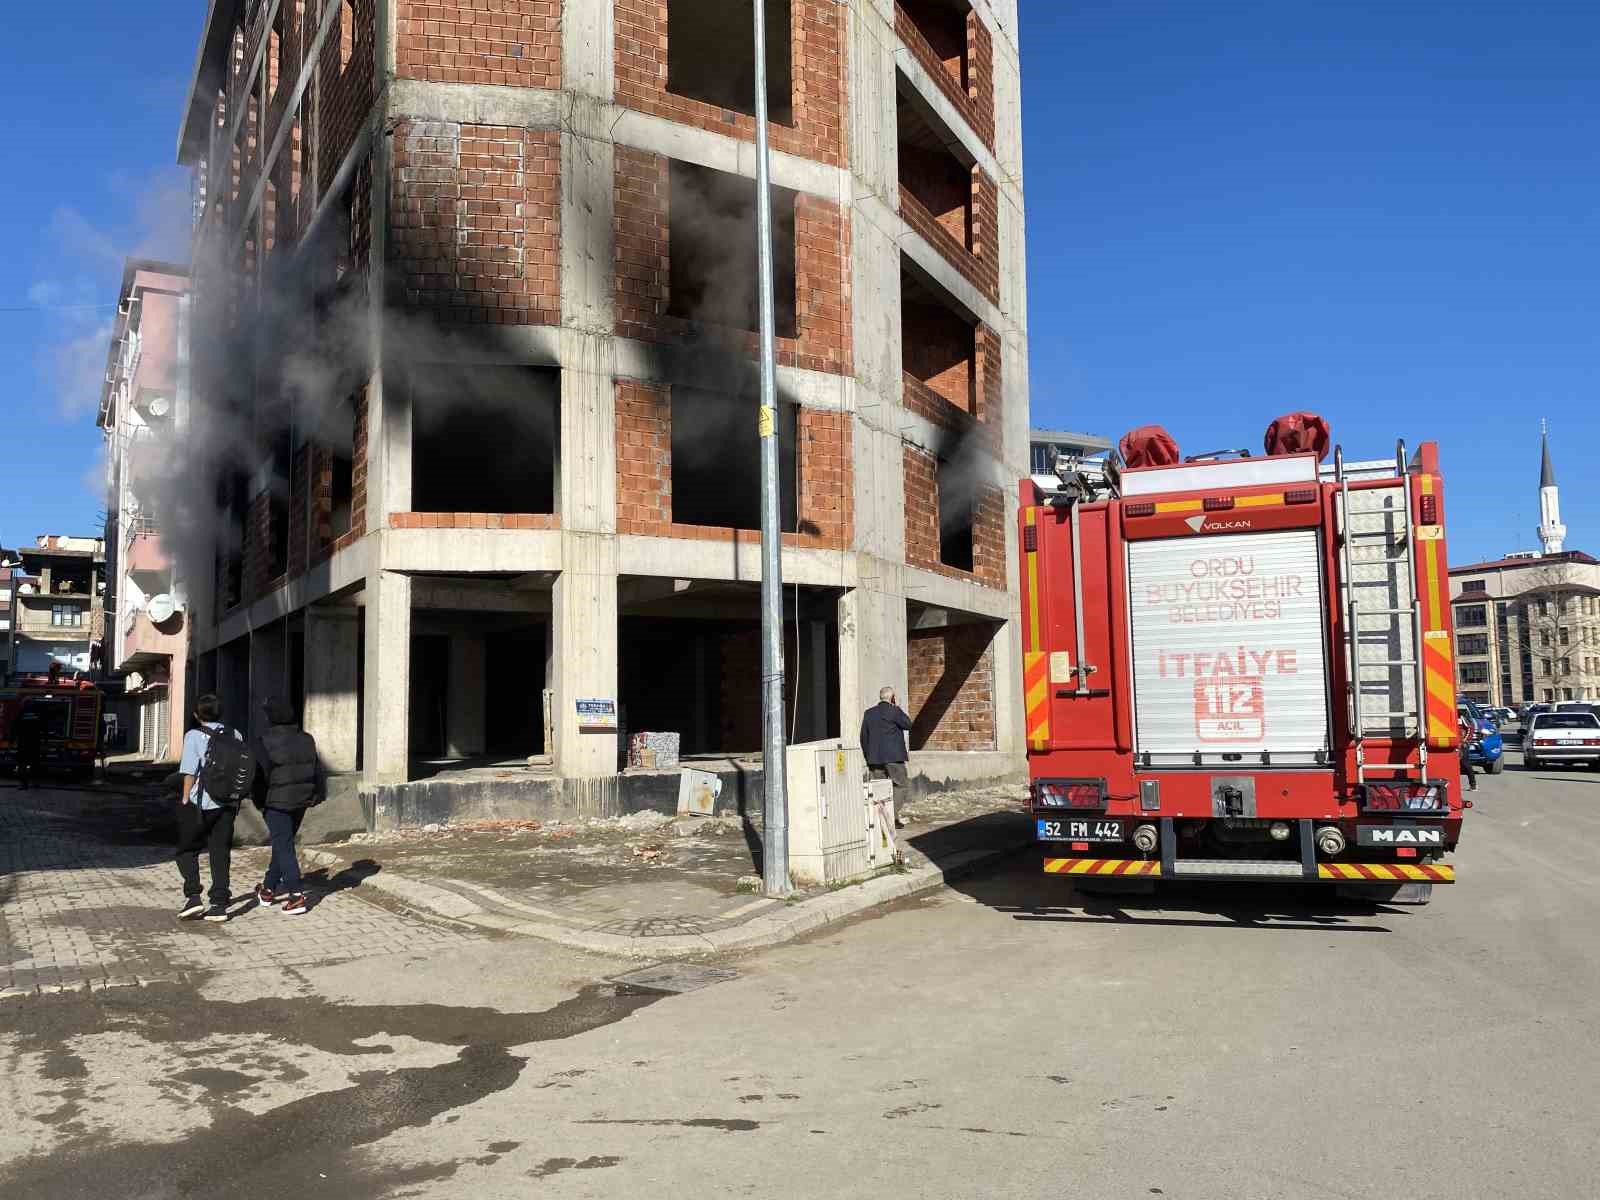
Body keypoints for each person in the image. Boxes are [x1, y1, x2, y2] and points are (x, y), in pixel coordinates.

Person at [176, 694, 245, 922]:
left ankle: (193, 897)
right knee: (220, 852)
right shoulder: (235, 734)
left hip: (200, 803)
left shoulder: (193, 735)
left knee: (187, 850)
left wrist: (185, 797)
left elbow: (189, 771)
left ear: (197, 715)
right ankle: (219, 904)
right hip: (226, 802)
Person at [252, 696, 320, 916]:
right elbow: (317, 770)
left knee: (284, 845)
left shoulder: (264, 741)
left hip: (276, 801)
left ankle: (296, 895)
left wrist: (260, 802)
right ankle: (268, 889)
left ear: (271, 717)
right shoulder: (307, 739)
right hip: (302, 799)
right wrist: (314, 795)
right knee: (283, 843)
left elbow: (259, 777)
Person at [860, 686, 913, 828]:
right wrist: (897, 707)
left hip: (874, 759)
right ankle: (891, 815)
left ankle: (882, 819)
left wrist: (868, 757)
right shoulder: (894, 711)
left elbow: (864, 737)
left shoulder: (869, 713)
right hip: (894, 758)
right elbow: (908, 724)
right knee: (901, 785)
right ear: (892, 697)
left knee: (879, 789)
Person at [14, 709, 42, 791]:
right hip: (34, 744)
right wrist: (45, 740)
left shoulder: (21, 714)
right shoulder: (37, 715)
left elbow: (15, 726)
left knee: (22, 765)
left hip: (23, 744)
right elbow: (43, 727)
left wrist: (11, 740)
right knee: (35, 765)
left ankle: (23, 784)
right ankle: (35, 783)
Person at [1458, 709, 1479, 793]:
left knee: (1465, 764)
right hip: (1451, 743)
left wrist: (1465, 741)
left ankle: (1473, 784)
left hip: (1462, 745)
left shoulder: (1461, 716)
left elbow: (1470, 728)